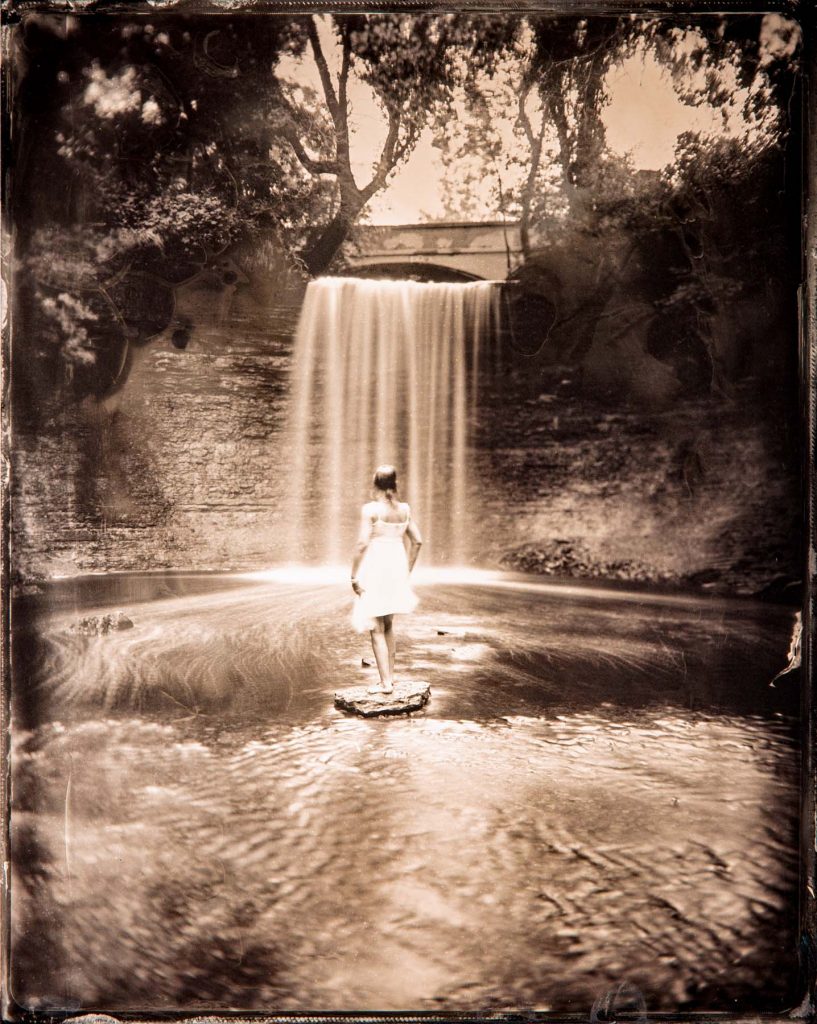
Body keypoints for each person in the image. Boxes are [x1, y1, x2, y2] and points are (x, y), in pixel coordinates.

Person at [351, 465, 423, 694]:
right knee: (389, 624)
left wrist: (353, 575)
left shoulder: (371, 510)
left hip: (376, 568)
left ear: (375, 485)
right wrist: (408, 571)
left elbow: (362, 543)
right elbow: (418, 541)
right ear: (395, 484)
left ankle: (386, 683)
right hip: (396, 568)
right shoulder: (404, 509)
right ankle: (390, 677)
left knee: (375, 626)